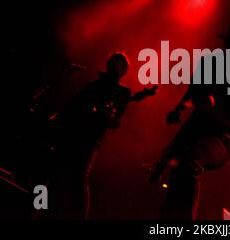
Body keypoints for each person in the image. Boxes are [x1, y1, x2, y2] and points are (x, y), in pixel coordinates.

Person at [150, 22, 230, 220]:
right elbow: (193, 95)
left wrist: (210, 105)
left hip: (225, 137)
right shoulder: (211, 65)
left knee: (190, 161)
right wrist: (180, 109)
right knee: (178, 168)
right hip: (200, 126)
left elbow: (229, 120)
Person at [51, 52, 155, 219]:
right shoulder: (93, 85)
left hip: (91, 138)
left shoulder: (123, 92)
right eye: (114, 62)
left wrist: (110, 116)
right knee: (63, 175)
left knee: (79, 176)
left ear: (124, 70)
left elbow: (115, 123)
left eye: (121, 64)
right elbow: (73, 106)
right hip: (73, 133)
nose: (116, 66)